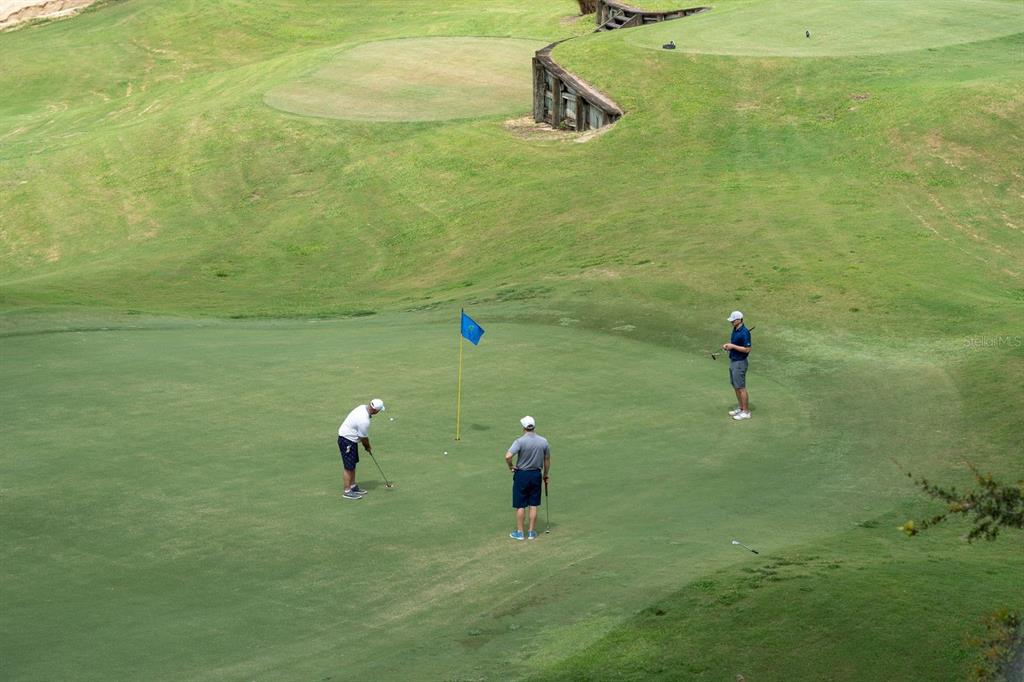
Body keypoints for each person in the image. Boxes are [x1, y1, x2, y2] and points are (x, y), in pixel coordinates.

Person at [504, 416, 551, 540]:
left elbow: (508, 456)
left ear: (524, 427)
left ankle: (520, 533)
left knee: (520, 505)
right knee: (533, 505)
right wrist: (545, 475)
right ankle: (531, 532)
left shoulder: (520, 441)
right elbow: (547, 460)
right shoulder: (543, 441)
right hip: (536, 474)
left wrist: (511, 466)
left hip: (522, 475)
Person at [337, 398, 385, 499]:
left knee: (352, 464)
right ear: (375, 410)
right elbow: (363, 437)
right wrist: (368, 447)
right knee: (348, 467)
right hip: (346, 440)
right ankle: (347, 491)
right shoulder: (364, 421)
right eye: (379, 411)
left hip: (351, 440)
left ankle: (353, 486)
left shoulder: (362, 407)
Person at [723, 311, 752, 420]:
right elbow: (735, 345)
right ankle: (741, 408)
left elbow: (747, 349)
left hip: (740, 363)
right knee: (735, 386)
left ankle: (746, 411)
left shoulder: (745, 332)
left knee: (741, 387)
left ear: (739, 320)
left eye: (733, 320)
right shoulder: (735, 329)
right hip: (733, 360)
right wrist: (728, 346)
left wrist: (733, 346)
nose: (731, 322)